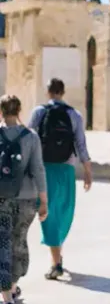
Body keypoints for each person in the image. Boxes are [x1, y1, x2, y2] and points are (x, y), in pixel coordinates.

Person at [28, 78, 92, 280]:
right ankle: (57, 261)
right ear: (63, 92)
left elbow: (29, 139)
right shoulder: (74, 114)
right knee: (63, 212)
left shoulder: (39, 112)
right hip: (66, 169)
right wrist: (88, 171)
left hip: (44, 168)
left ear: (48, 92)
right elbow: (81, 144)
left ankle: (56, 260)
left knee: (48, 213)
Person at [0, 95, 48, 304]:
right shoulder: (31, 137)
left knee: (2, 243)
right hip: (26, 199)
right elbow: (38, 169)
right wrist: (43, 200)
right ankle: (11, 286)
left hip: (1, 198)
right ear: (19, 111)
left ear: (1, 111)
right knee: (18, 242)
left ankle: (6, 295)